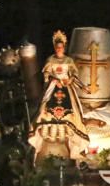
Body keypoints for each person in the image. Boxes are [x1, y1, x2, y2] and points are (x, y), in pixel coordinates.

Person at [28, 30, 89, 160]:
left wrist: (71, 81)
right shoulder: (50, 59)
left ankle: (72, 146)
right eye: (57, 47)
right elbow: (46, 73)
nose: (59, 49)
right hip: (53, 87)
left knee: (74, 113)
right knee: (43, 109)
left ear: (64, 47)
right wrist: (52, 79)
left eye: (61, 47)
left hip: (66, 88)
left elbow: (74, 74)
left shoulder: (68, 60)